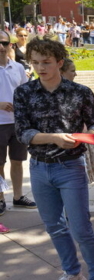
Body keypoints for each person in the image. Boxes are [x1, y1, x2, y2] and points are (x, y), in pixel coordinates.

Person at [14, 37, 94, 280]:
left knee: (81, 228)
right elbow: (23, 133)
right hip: (38, 169)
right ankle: (72, 274)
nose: (40, 67)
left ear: (60, 62)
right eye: (35, 62)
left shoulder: (80, 92)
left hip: (71, 167)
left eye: (46, 62)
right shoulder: (24, 93)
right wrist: (54, 137)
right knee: (54, 227)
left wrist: (88, 135)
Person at [0, 30, 36, 221]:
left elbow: (26, 93)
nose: (1, 47)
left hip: (18, 123)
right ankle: (0, 198)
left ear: (10, 45)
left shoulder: (18, 68)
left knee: (17, 160)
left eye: (4, 43)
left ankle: (18, 196)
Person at [60, 58, 94, 184]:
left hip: (80, 141)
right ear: (61, 72)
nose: (75, 74)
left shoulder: (81, 91)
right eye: (72, 71)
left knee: (80, 181)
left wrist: (90, 133)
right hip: (62, 145)